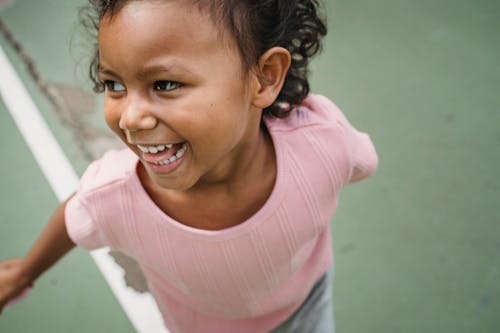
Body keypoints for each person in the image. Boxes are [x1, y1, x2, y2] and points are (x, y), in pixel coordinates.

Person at [0, 0, 378, 332]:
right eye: (114, 85)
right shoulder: (115, 197)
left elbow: (358, 160)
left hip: (304, 309)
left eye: (164, 84)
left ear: (264, 77)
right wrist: (24, 273)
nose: (130, 118)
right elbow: (75, 215)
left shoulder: (322, 143)